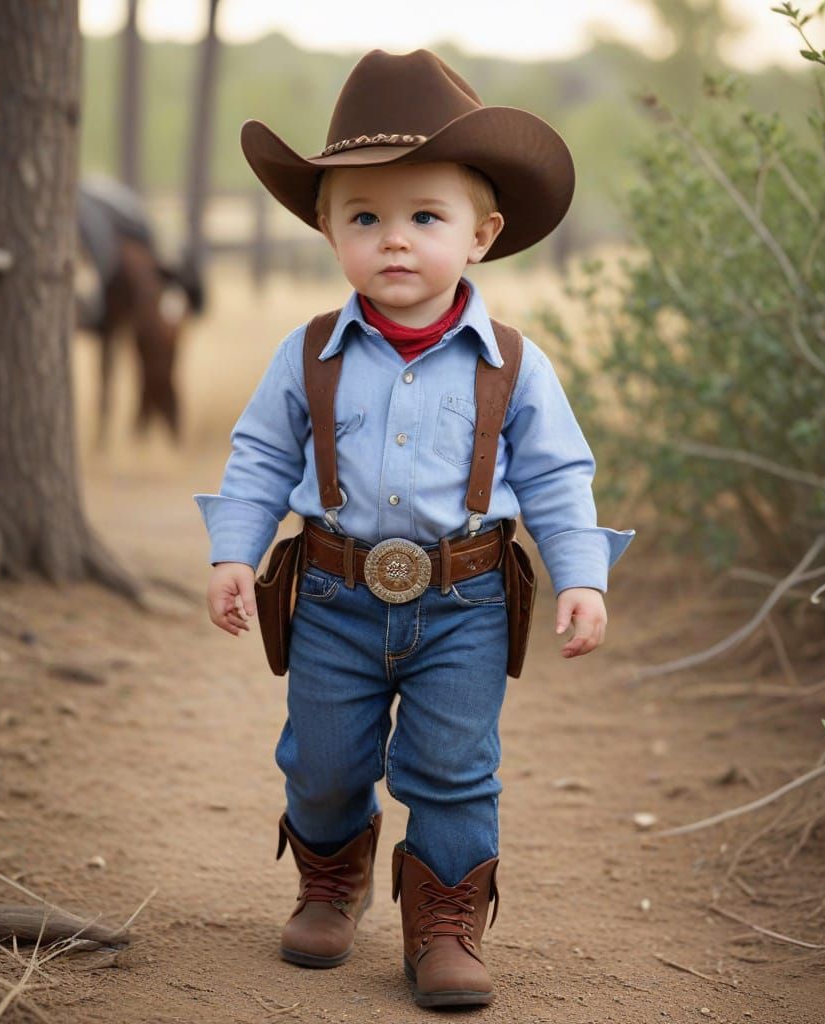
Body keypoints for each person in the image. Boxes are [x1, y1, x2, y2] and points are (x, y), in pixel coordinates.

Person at [194, 49, 634, 1009]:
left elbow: (560, 474)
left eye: (425, 218)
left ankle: (444, 922)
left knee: (453, 766)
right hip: (332, 595)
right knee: (321, 757)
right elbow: (262, 455)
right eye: (365, 218)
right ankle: (330, 879)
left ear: (481, 234)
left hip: (467, 600)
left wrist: (581, 575)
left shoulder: (516, 365)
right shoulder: (306, 351)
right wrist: (235, 551)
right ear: (327, 229)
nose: (395, 241)